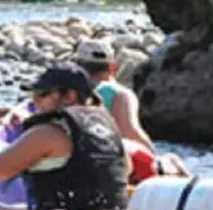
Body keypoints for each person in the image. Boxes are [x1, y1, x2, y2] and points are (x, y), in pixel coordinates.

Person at [0, 63, 130, 210]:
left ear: (69, 96)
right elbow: (127, 168)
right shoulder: (109, 125)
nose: (34, 101)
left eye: (41, 94)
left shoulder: (50, 131)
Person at [72, 39, 191, 179]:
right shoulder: (119, 94)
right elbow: (130, 132)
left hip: (77, 162)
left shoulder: (67, 94)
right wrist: (153, 156)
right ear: (113, 68)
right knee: (172, 160)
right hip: (114, 165)